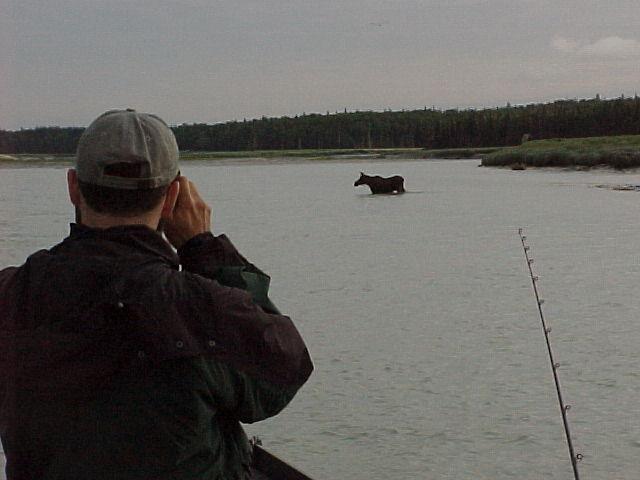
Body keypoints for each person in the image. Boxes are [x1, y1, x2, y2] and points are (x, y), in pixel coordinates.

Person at [0, 109, 313, 479]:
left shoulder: (11, 294)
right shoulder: (200, 308)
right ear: (173, 199)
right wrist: (203, 249)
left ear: (72, 187)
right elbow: (285, 369)